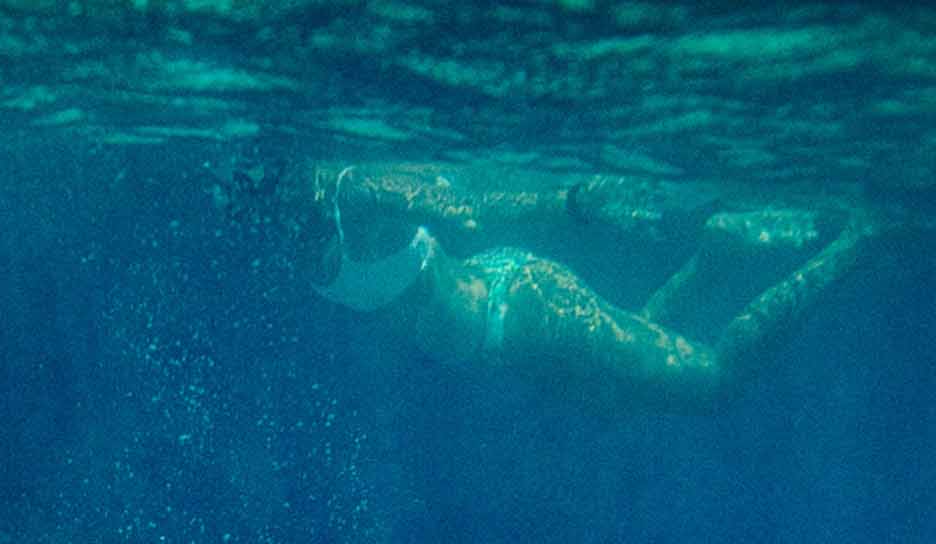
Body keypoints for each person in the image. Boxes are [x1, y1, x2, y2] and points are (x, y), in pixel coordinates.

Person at [304, 160, 871, 408]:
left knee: (714, 381)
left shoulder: (347, 205)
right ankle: (711, 257)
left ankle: (855, 243)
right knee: (625, 381)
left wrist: (566, 202)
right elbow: (467, 208)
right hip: (506, 290)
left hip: (519, 313)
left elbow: (467, 208)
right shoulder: (339, 208)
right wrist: (561, 203)